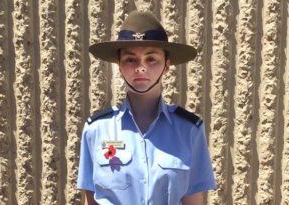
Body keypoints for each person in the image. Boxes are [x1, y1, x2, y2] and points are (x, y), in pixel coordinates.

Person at [77, 10, 216, 205]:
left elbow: (193, 201)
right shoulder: (96, 130)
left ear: (166, 66)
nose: (140, 67)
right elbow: (90, 201)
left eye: (151, 59)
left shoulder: (189, 130)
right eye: (130, 59)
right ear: (119, 65)